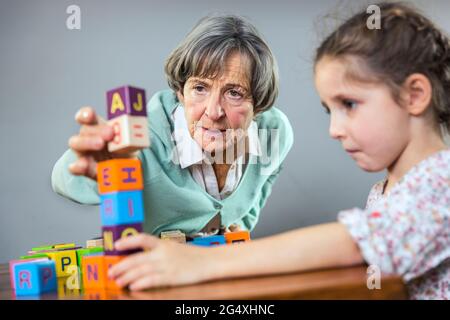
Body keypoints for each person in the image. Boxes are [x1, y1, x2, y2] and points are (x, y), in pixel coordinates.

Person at [108, 2, 450, 299]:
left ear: (414, 95)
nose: (334, 130)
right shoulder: (389, 191)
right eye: (330, 111)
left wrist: (199, 262)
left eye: (349, 104)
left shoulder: (442, 183)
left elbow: (354, 243)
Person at [51, 14, 293, 237]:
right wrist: (104, 167)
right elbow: (64, 180)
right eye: (199, 88)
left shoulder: (274, 132)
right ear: (180, 91)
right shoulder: (143, 138)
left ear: (258, 104)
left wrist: (240, 229)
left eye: (234, 93)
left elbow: (259, 189)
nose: (213, 112)